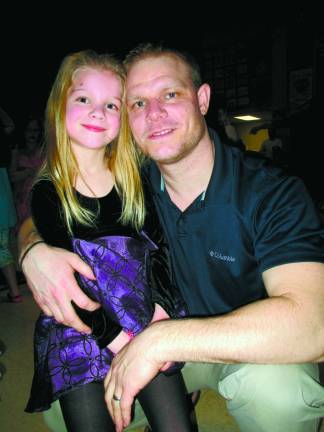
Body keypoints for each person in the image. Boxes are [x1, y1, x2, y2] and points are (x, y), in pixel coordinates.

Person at [19, 44, 324, 432]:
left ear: (202, 98)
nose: (155, 113)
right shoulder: (132, 182)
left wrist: (161, 341)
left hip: (247, 348)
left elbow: (314, 325)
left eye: (170, 94)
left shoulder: (270, 193)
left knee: (281, 395)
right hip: (152, 340)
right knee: (65, 410)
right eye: (137, 103)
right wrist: (33, 249)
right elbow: (52, 209)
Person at [23, 49, 196, 432]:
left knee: (176, 425)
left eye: (111, 105)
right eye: (84, 99)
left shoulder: (137, 180)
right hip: (82, 329)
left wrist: (160, 313)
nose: (98, 113)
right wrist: (118, 342)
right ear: (59, 107)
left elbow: (159, 253)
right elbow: (72, 290)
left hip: (143, 318)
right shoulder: (49, 192)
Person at [0, 106, 22, 302]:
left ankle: (15, 292)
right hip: (4, 211)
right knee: (3, 249)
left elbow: (9, 125)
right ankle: (15, 292)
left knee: (3, 250)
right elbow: (9, 125)